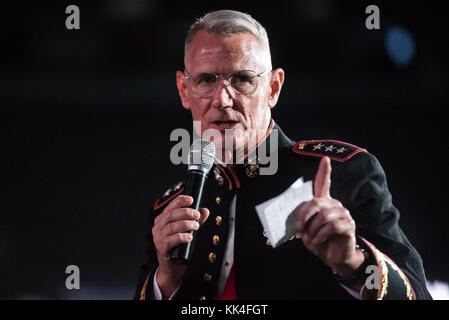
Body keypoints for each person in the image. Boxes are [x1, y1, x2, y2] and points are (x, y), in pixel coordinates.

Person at [134, 9, 431, 300]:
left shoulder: (344, 172)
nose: (222, 100)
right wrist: (166, 282)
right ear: (184, 90)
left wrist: (353, 263)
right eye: (206, 80)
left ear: (273, 88)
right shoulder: (169, 209)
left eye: (242, 80)